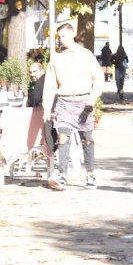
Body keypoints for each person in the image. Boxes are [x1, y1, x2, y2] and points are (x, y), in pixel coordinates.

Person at [43, 21, 103, 191]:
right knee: (63, 137)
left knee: (87, 139)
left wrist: (92, 98)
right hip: (63, 102)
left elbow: (98, 78)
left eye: (63, 36)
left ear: (72, 35)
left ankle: (90, 175)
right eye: (59, 37)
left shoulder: (86, 55)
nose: (60, 40)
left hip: (84, 101)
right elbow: (50, 86)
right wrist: (47, 108)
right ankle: (62, 175)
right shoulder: (56, 59)